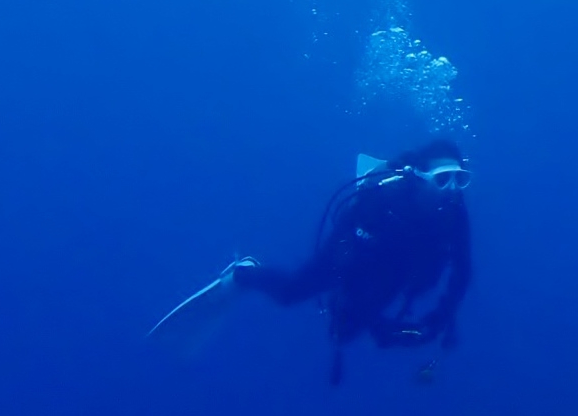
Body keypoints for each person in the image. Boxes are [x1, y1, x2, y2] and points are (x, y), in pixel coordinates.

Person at [177, 140, 473, 383]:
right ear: (419, 177)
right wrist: (375, 320)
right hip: (354, 255)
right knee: (290, 293)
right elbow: (354, 268)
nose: (452, 189)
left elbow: (463, 270)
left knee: (353, 334)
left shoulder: (454, 212)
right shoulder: (384, 202)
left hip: (400, 269)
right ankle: (244, 273)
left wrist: (441, 317)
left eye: (460, 179)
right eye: (443, 178)